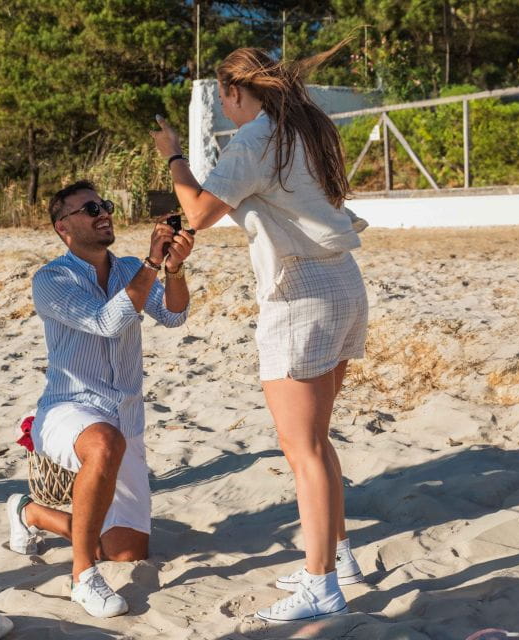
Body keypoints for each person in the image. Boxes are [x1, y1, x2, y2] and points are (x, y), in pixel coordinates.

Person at [150, 45, 368, 623]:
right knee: (317, 439)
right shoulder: (305, 132)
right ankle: (337, 556)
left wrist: (173, 157)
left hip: (300, 293)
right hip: (343, 283)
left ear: (234, 93)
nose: (223, 108)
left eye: (224, 97)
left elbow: (196, 212)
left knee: (303, 448)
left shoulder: (258, 138)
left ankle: (321, 585)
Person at [6, 180, 194, 618]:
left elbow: (175, 316)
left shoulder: (129, 268)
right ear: (63, 227)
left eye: (104, 204)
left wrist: (173, 269)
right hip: (68, 408)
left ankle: (31, 512)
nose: (102, 212)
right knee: (104, 443)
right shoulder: (52, 279)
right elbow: (106, 322)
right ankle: (82, 577)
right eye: (90, 208)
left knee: (126, 552)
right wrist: (150, 262)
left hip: (125, 415)